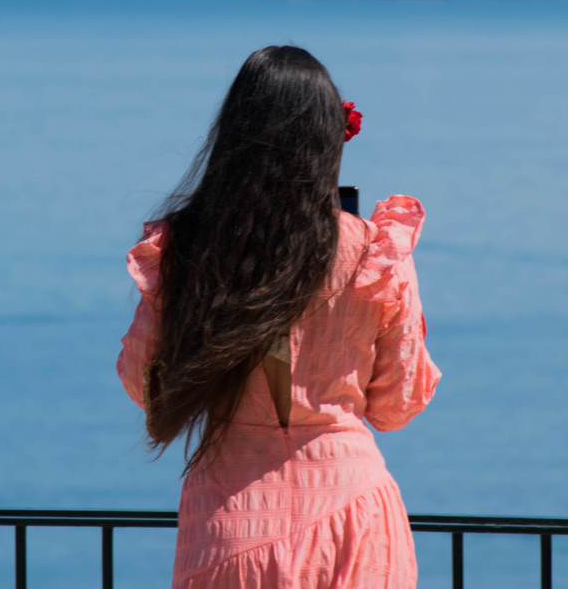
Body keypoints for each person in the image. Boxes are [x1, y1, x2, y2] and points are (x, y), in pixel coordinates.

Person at [118, 45, 440, 588]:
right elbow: (396, 405)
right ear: (328, 136)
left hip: (229, 516)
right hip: (350, 507)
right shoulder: (373, 252)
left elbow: (145, 382)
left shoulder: (187, 246)